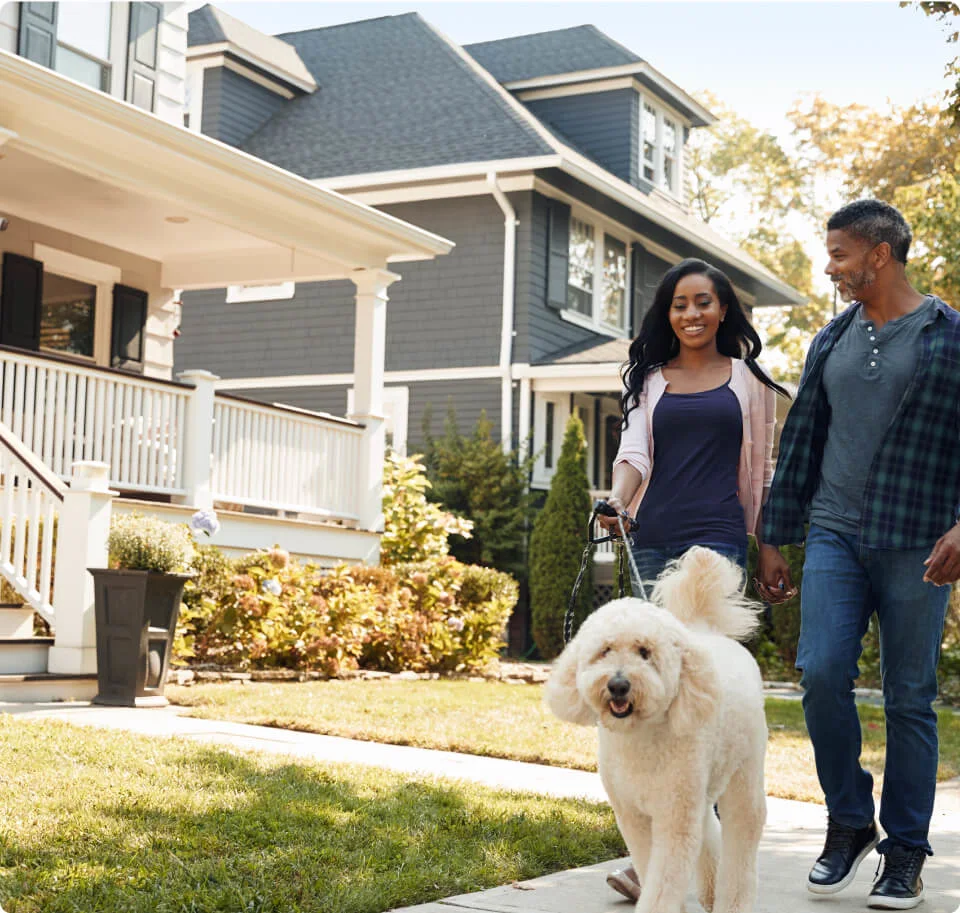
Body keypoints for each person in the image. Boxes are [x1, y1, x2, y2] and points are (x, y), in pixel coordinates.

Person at [757, 199, 960, 909]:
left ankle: (905, 849)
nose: (830, 267)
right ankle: (849, 819)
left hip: (919, 539)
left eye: (839, 253)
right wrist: (774, 534)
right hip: (835, 533)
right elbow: (803, 438)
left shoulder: (949, 336)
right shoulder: (831, 339)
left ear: (879, 253)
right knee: (820, 672)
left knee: (910, 697)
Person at [598, 256, 790, 902]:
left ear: (724, 308)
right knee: (655, 702)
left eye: (704, 301)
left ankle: (682, 855)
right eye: (680, 303)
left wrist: (767, 545)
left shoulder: (749, 382)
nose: (692, 313)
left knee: (704, 698)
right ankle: (660, 855)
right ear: (668, 312)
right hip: (653, 540)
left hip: (719, 544)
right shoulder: (651, 381)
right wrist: (617, 500)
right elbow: (632, 455)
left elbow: (762, 472)